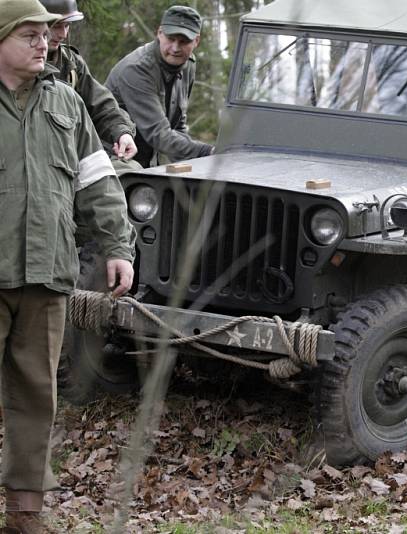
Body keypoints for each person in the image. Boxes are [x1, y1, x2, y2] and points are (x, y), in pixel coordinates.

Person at [0, 1, 135, 531]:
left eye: (44, 34)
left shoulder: (69, 103)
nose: (43, 43)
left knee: (36, 394)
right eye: (28, 35)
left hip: (46, 274)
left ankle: (24, 514)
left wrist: (117, 247)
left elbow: (97, 182)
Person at [105, 5, 214, 168]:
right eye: (171, 39)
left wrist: (195, 162)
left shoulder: (188, 64)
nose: (175, 48)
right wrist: (209, 152)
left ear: (196, 41)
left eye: (183, 41)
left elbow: (177, 126)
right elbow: (159, 135)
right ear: (160, 33)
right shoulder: (137, 70)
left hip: (147, 161)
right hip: (114, 159)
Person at [39, 0, 139, 172]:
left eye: (67, 26)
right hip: (36, 163)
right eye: (56, 26)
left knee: (128, 171)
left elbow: (101, 105)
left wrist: (122, 132)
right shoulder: (14, 64)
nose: (63, 34)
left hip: (70, 157)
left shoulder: (71, 64)